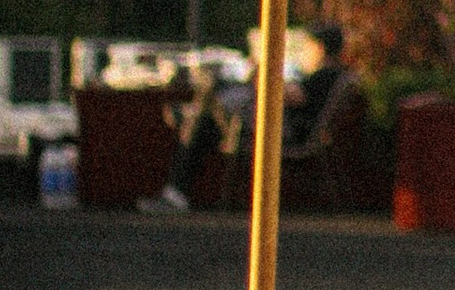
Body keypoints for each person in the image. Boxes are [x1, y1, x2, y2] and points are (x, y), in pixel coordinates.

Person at [138, 25, 353, 213]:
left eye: (306, 47)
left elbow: (294, 96)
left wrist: (262, 76)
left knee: (208, 104)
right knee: (204, 121)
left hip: (283, 130)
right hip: (271, 123)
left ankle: (177, 187)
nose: (303, 53)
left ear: (320, 48)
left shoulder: (325, 75)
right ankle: (176, 190)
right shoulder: (323, 74)